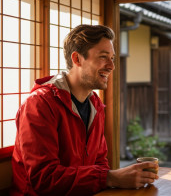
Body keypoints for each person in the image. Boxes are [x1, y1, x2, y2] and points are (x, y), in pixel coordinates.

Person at [11, 24, 158, 196]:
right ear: (77, 59)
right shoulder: (40, 104)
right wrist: (110, 178)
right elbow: (44, 178)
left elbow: (100, 162)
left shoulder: (95, 104)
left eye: (112, 58)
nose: (111, 66)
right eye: (103, 57)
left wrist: (111, 178)